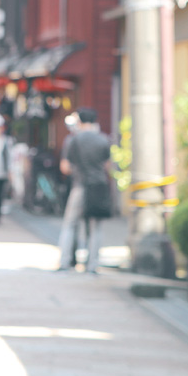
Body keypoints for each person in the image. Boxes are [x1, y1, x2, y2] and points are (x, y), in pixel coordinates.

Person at [56, 108, 111, 274]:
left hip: (80, 185)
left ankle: (65, 262)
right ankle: (92, 265)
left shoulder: (74, 140)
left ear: (79, 121)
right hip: (98, 187)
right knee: (96, 228)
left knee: (70, 224)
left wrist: (77, 169)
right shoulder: (104, 140)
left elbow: (65, 167)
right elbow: (107, 166)